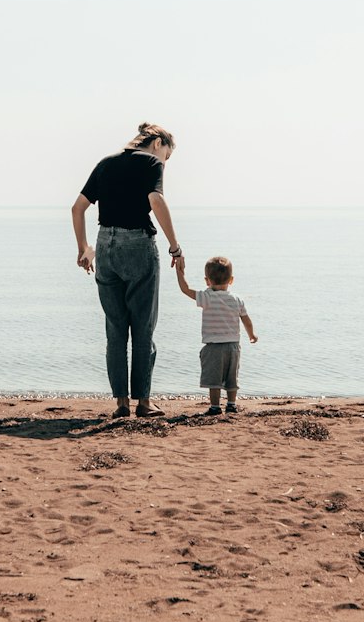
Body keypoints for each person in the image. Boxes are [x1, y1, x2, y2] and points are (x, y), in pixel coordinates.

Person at [71, 123, 184, 419]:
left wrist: (83, 248)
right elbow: (156, 200)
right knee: (143, 326)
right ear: (158, 143)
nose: (165, 162)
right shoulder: (150, 163)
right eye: (167, 156)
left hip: (104, 245)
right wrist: (175, 246)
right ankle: (144, 403)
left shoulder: (105, 163)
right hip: (137, 245)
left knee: (116, 328)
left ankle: (121, 403)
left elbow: (77, 208)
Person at [174, 254, 257, 415]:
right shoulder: (237, 299)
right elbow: (246, 319)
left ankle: (215, 407)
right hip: (233, 346)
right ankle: (231, 404)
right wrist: (251, 334)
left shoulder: (207, 297)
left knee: (214, 379)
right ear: (231, 280)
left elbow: (185, 289)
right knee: (232, 377)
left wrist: (179, 271)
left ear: (207, 280)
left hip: (213, 346)